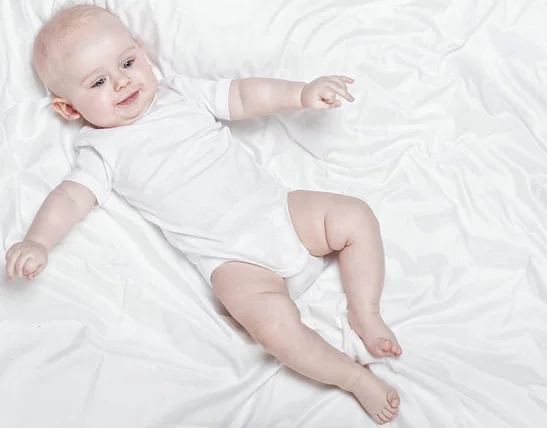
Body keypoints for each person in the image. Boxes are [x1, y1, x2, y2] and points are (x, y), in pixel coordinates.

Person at [4, 4, 401, 423]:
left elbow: (245, 95)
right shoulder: (102, 151)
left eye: (127, 62)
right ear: (69, 109)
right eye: (99, 81)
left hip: (280, 212)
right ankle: (352, 377)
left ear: (142, 52)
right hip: (233, 260)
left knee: (355, 215)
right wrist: (38, 240)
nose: (121, 82)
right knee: (273, 329)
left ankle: (366, 313)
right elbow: (69, 198)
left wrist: (300, 94)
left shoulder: (179, 93)